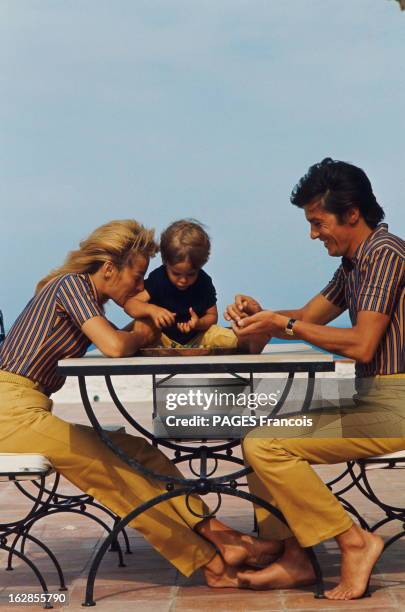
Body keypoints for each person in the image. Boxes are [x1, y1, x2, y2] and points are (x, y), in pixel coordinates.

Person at [0, 219, 278, 588]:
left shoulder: (87, 296)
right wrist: (143, 328)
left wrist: (142, 324)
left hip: (27, 408)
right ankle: (212, 562)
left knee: (136, 451)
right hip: (9, 411)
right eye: (138, 274)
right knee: (114, 472)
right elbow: (114, 346)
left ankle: (225, 538)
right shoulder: (72, 286)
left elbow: (116, 338)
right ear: (110, 268)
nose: (142, 286)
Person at [225, 158, 405, 600]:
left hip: (397, 405)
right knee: (260, 436)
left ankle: (354, 542)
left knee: (269, 445)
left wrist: (279, 327)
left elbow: (362, 344)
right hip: (371, 399)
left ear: (352, 214)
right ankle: (294, 557)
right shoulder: (354, 263)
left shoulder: (385, 255)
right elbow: (307, 318)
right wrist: (263, 315)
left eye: (317, 222)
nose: (312, 234)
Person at [125, 219, 237, 349]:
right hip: (162, 337)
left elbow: (212, 316)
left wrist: (198, 323)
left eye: (191, 274)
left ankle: (247, 341)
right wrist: (152, 311)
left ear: (200, 265)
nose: (183, 280)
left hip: (197, 337)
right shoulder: (159, 278)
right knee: (142, 328)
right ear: (166, 262)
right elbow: (130, 305)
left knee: (223, 335)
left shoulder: (204, 282)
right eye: (176, 274)